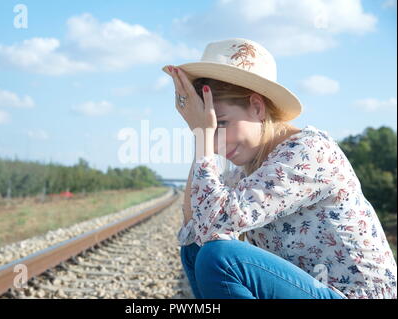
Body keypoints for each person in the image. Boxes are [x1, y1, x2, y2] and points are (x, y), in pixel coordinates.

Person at [162, 38, 397, 299]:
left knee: (220, 257)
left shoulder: (307, 151)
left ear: (257, 107)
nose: (215, 143)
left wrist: (204, 136)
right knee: (196, 249)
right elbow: (195, 229)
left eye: (222, 124)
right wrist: (199, 132)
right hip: (317, 291)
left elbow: (216, 221)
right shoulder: (248, 170)